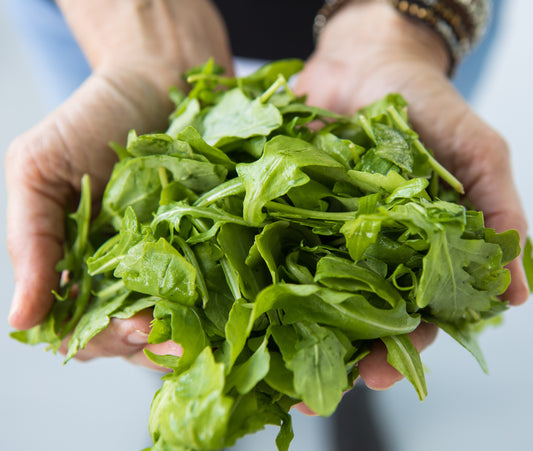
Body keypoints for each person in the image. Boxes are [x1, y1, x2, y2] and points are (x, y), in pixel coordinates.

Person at [5, 0, 529, 421]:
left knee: (364, 336)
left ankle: (345, 374)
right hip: (103, 19)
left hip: (404, 21)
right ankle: (198, 376)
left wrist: (411, 27)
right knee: (157, 320)